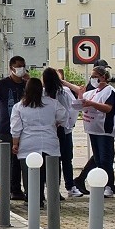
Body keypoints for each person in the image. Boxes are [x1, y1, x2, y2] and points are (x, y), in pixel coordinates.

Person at [10, 77, 65, 206]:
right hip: (50, 143)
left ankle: (34, 200)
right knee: (51, 174)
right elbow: (63, 117)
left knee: (30, 175)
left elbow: (16, 128)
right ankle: (53, 201)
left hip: (28, 143)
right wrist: (54, 123)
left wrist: (15, 144)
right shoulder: (53, 103)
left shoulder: (19, 106)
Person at [0, 55, 28, 200]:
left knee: (19, 163)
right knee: (3, 162)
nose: (22, 69)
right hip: (6, 129)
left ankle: (16, 190)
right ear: (11, 68)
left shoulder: (26, 84)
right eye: (19, 66)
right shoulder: (3, 84)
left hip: (25, 130)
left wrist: (29, 81)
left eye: (23, 66)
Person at [80, 65, 115, 197]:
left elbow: (108, 108)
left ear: (103, 77)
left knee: (105, 159)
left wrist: (92, 104)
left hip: (105, 130)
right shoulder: (93, 92)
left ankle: (109, 185)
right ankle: (102, 183)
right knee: (98, 159)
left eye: (95, 77)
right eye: (91, 77)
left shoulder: (109, 91)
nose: (93, 79)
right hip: (94, 130)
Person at [42, 68, 79, 199]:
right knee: (65, 159)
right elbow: (71, 110)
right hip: (62, 130)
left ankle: (52, 190)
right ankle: (65, 188)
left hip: (51, 130)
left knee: (53, 161)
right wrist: (68, 123)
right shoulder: (63, 92)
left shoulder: (45, 93)